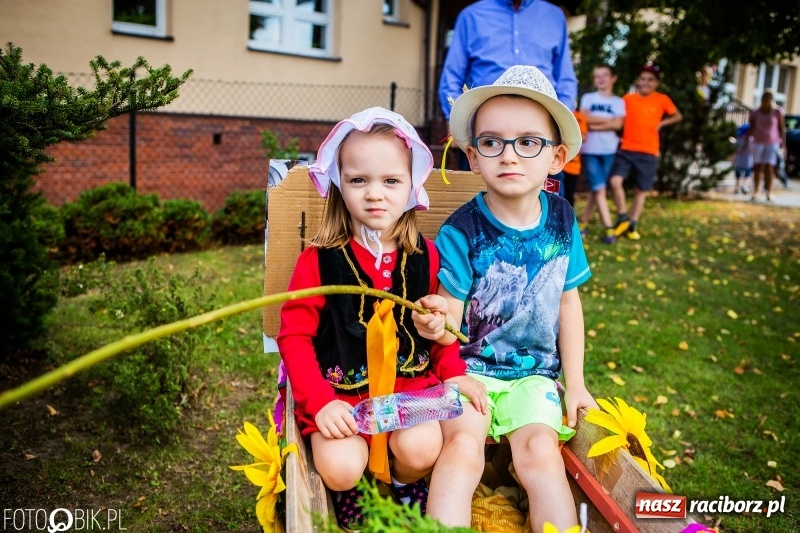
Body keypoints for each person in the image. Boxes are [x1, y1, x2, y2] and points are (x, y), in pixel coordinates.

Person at [276, 107, 484, 530]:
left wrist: (452, 369)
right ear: (339, 185)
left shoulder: (426, 256)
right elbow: (294, 336)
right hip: (343, 392)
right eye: (358, 180)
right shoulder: (318, 260)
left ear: (410, 187)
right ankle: (355, 489)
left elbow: (436, 333)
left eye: (390, 181)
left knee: (424, 449)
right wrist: (320, 402)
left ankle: (406, 484)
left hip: (407, 389)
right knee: (338, 466)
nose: (375, 194)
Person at [416, 65, 596, 531]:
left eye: (528, 142)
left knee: (540, 452)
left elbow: (567, 303)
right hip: (470, 372)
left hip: (534, 375)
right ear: (474, 159)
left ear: (556, 157)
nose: (509, 156)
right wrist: (437, 328)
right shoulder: (461, 230)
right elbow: (450, 314)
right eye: (493, 142)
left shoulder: (562, 220)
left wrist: (574, 383)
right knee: (460, 450)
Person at [438, 0, 578, 171]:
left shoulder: (554, 16)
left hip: (540, 139)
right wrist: (459, 121)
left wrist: (560, 122)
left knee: (548, 197)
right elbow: (452, 75)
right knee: (478, 194)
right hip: (488, 138)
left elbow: (566, 79)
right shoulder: (471, 16)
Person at [608, 65, 682, 240]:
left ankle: (632, 224)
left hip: (648, 151)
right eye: (642, 79)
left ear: (656, 83)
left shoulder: (662, 99)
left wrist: (662, 124)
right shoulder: (627, 99)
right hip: (626, 148)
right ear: (637, 81)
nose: (646, 82)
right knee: (615, 181)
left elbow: (677, 116)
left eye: (650, 80)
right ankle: (622, 217)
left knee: (641, 190)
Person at [578, 64, 626, 244]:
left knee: (596, 188)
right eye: (597, 76)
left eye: (605, 75)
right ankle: (609, 229)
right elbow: (584, 120)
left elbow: (618, 125)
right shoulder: (588, 98)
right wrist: (608, 121)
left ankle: (583, 223)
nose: (601, 79)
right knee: (599, 188)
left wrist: (595, 123)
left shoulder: (618, 102)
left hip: (609, 150)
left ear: (613, 78)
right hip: (589, 149)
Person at [748, 90, 786, 201]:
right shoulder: (756, 112)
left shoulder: (777, 111)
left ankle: (769, 191)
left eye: (770, 98)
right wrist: (745, 142)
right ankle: (756, 191)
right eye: (766, 98)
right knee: (757, 167)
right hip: (758, 142)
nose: (768, 100)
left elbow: (781, 128)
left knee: (769, 167)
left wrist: (783, 144)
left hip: (772, 142)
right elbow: (751, 127)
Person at [562, 109, 588, 207]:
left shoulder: (580, 116)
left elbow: (584, 137)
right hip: (557, 166)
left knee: (569, 194)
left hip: (574, 165)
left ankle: (570, 218)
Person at [732, 123, 753, 195]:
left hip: (738, 161)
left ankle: (737, 188)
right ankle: (745, 186)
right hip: (748, 161)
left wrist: (732, 157)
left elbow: (734, 149)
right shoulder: (751, 140)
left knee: (738, 175)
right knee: (747, 175)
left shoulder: (738, 139)